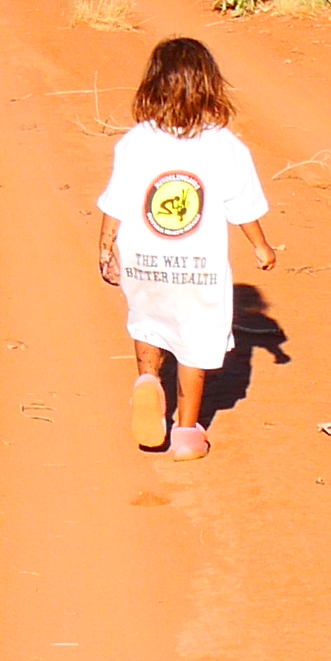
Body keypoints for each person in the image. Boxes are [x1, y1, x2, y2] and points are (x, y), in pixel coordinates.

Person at [93, 35, 280, 457]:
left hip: (145, 264)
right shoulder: (225, 146)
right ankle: (186, 432)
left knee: (147, 324)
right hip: (200, 269)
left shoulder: (136, 141)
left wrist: (106, 250)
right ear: (209, 87)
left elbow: (116, 201)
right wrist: (261, 247)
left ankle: (148, 382)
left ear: (153, 86)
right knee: (195, 344)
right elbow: (243, 207)